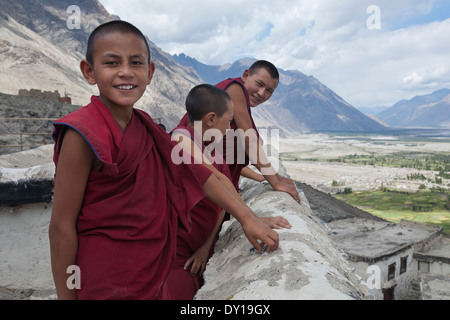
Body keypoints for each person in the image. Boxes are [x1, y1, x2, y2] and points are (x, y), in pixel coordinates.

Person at [48, 21, 279, 300]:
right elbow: (61, 228)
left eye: (135, 63)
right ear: (89, 71)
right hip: (106, 274)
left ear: (150, 72)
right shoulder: (82, 133)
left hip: (152, 266)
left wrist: (246, 217)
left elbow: (201, 176)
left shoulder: (148, 129)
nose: (125, 72)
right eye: (111, 63)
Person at [163, 84, 291, 300]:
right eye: (229, 121)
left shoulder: (207, 146)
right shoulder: (181, 138)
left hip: (200, 246)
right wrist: (251, 218)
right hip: (175, 252)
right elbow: (217, 179)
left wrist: (205, 246)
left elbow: (221, 204)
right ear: (211, 119)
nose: (231, 128)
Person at [177, 61, 301, 205]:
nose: (262, 93)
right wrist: (276, 183)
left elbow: (224, 157)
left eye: (269, 91)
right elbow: (249, 140)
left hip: (213, 184)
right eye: (259, 84)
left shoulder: (235, 104)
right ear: (246, 75)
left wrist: (273, 177)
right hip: (199, 182)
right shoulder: (236, 89)